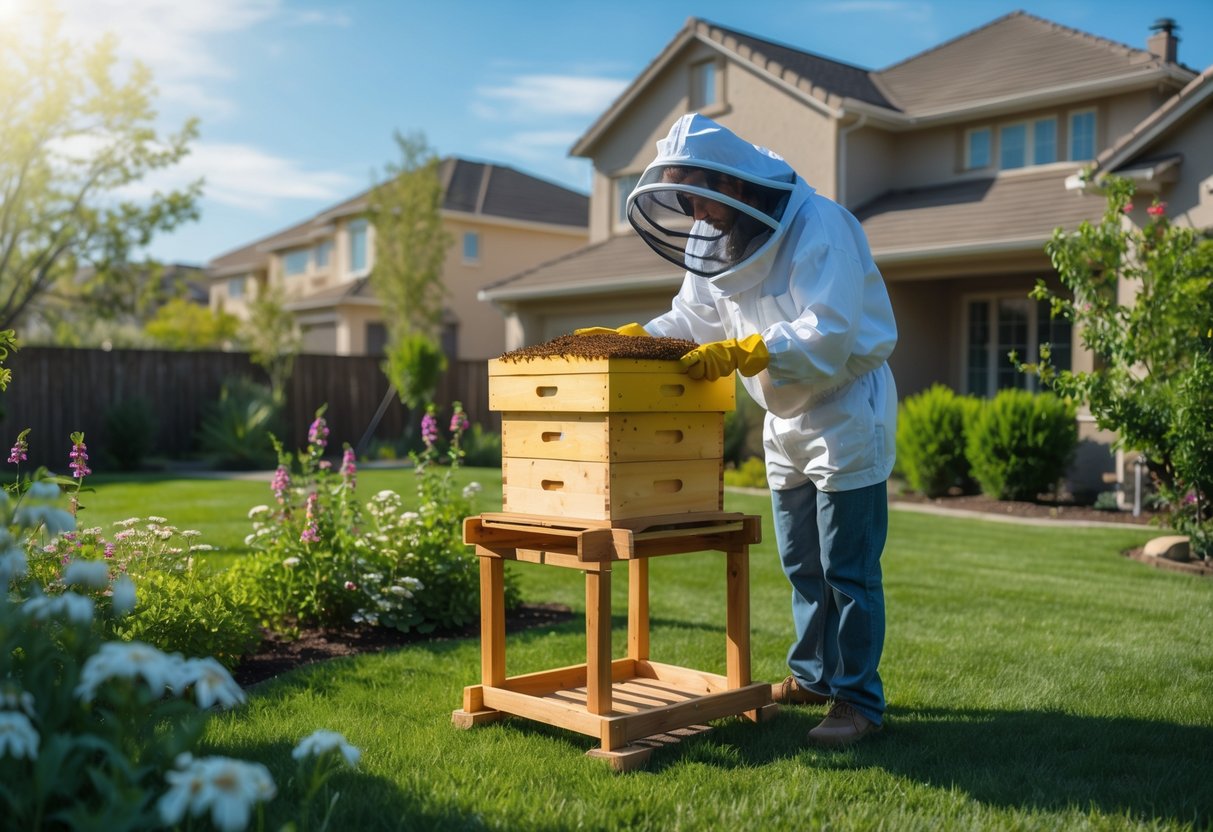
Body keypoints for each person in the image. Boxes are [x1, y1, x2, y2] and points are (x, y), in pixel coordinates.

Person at [578, 113, 897, 746]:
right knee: (802, 562)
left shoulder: (820, 226)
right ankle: (811, 677)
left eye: (693, 191)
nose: (690, 209)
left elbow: (829, 332)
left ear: (732, 182)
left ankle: (859, 699)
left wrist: (748, 351)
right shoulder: (715, 240)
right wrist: (637, 338)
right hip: (782, 417)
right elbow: (692, 318)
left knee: (849, 569)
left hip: (843, 410)